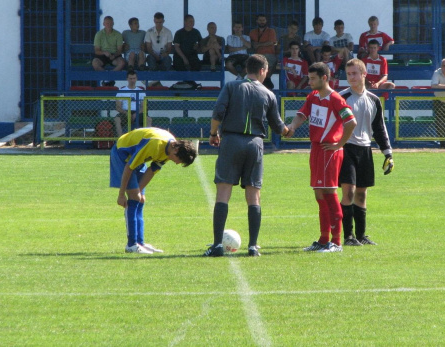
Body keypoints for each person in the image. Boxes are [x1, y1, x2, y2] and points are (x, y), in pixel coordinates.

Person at [204, 54, 291, 257]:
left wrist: (213, 134)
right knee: (254, 195)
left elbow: (218, 112)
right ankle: (253, 247)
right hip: (255, 144)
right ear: (262, 70)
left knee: (223, 192)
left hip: (231, 141)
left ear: (246, 70)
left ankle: (217, 245)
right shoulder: (268, 94)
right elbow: (278, 126)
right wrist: (289, 130)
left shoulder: (232, 87)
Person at [286, 62, 356, 253]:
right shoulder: (313, 96)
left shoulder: (336, 99)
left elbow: (351, 122)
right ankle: (324, 239)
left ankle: (337, 242)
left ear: (324, 78)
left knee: (329, 193)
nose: (309, 82)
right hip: (316, 149)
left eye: (313, 78)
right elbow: (302, 114)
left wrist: (339, 145)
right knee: (319, 194)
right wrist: (292, 127)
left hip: (329, 151)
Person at [110, 127, 197, 254]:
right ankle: (131, 245)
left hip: (139, 156)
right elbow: (129, 167)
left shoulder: (170, 150)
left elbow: (152, 170)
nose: (177, 163)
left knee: (140, 199)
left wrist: (138, 191)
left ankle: (140, 243)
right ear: (176, 149)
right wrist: (121, 194)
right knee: (134, 198)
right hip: (122, 154)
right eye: (179, 160)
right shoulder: (154, 144)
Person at [339, 58, 394, 246]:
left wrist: (388, 153)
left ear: (364, 74)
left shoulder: (373, 100)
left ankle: (361, 235)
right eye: (348, 74)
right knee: (349, 192)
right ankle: (348, 236)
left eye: (355, 73)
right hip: (346, 149)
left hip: (365, 149)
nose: (351, 77)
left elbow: (379, 128)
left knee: (362, 194)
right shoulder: (342, 98)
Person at [115, 70, 151, 136]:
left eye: (134, 78)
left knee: (148, 119)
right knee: (117, 120)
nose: (132, 80)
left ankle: (146, 140)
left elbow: (144, 106)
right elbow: (118, 107)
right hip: (125, 112)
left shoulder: (141, 91)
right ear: (127, 79)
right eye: (130, 78)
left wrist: (136, 113)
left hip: (138, 112)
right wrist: (126, 113)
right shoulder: (121, 91)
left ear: (136, 79)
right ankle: (120, 140)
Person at [249, 14, 278, 89]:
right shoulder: (252, 32)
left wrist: (258, 45)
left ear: (266, 21)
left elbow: (271, 42)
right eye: (260, 20)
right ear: (257, 21)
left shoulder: (271, 31)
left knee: (268, 63)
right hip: (257, 56)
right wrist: (260, 44)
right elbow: (251, 44)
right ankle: (266, 81)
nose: (262, 22)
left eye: (263, 20)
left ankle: (264, 80)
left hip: (270, 54)